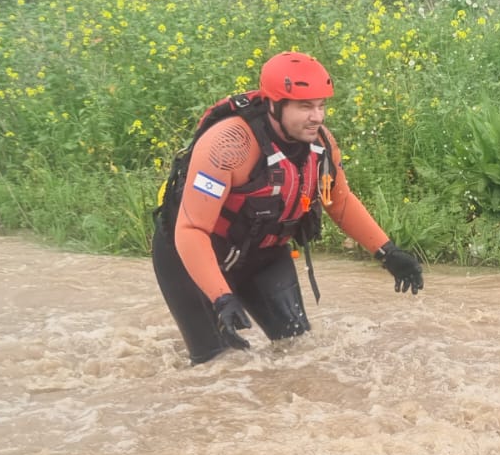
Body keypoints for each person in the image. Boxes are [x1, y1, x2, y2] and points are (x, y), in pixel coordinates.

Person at [151, 50, 424, 365]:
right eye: (305, 106)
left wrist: (388, 252)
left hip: (263, 256)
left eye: (321, 106)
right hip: (191, 256)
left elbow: (340, 201)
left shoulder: (321, 144)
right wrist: (221, 297)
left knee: (300, 354)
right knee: (219, 368)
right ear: (273, 105)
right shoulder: (227, 146)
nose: (317, 117)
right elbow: (192, 229)